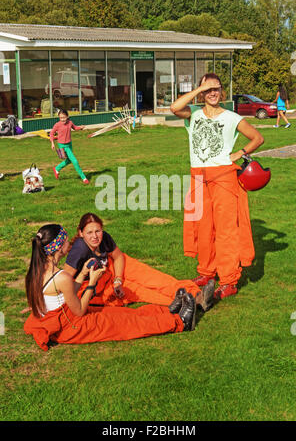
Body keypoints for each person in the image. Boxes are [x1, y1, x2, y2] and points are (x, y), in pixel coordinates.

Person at [24, 224, 197, 351]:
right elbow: (79, 311)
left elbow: (65, 293)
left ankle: (168, 312)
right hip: (72, 326)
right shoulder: (60, 277)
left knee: (125, 314)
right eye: (66, 241)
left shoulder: (36, 271)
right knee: (127, 324)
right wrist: (92, 283)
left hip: (66, 317)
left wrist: (83, 273)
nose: (69, 244)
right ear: (58, 247)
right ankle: (180, 322)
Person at [170, 73, 264, 299]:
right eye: (208, 89)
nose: (213, 93)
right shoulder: (192, 114)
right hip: (198, 177)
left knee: (226, 230)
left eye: (217, 88)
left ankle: (229, 280)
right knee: (203, 227)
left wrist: (238, 154)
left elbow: (257, 138)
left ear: (222, 91)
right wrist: (199, 88)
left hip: (223, 176)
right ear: (201, 91)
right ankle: (207, 272)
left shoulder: (231, 117)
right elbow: (174, 107)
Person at [63, 212, 215, 311]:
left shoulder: (104, 238)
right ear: (81, 233)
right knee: (139, 292)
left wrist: (118, 279)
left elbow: (118, 257)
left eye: (98, 231)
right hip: (96, 286)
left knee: (152, 277)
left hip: (110, 270)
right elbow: (65, 281)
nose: (95, 236)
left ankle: (196, 294)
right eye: (89, 232)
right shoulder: (79, 249)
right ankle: (188, 303)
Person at [50, 109, 89, 184]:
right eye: (60, 118)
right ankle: (84, 178)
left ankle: (57, 168)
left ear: (67, 116)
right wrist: (52, 143)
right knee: (74, 161)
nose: (62, 119)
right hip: (62, 145)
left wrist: (80, 127)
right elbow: (51, 133)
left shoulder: (70, 123)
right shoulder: (57, 125)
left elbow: (75, 127)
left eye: (64, 117)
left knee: (68, 160)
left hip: (69, 144)